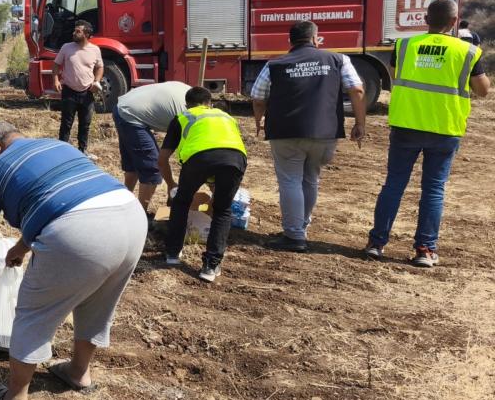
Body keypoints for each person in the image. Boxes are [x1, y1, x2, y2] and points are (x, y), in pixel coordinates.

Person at [0, 122, 146, 400]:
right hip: (130, 216)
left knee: (33, 314)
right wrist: (21, 248)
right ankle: (78, 372)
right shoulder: (58, 145)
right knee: (98, 302)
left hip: (78, 231)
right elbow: (57, 197)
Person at [366, 0, 489, 267]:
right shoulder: (468, 51)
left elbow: (396, 74)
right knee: (433, 189)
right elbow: (483, 90)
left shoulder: (405, 45)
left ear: (425, 19)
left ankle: (376, 244)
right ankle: (424, 249)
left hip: (406, 125)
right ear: (455, 22)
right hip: (444, 128)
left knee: (394, 184)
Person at [250, 21, 366, 252]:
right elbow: (357, 89)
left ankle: (294, 236)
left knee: (290, 180)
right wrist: (360, 123)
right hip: (325, 132)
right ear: (316, 38)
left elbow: (259, 96)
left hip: (285, 132)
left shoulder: (275, 64)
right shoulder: (339, 60)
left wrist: (259, 120)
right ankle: (301, 226)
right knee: (310, 178)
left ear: (290, 41)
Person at [159, 86, 248, 283]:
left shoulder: (183, 117)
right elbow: (223, 152)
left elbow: (163, 158)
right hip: (235, 159)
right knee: (222, 210)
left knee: (182, 203)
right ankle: (211, 266)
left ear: (187, 104)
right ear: (209, 103)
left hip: (199, 159)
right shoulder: (225, 117)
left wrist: (171, 184)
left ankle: (172, 254)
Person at [112, 81, 191, 215]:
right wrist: (171, 184)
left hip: (123, 106)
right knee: (151, 171)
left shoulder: (190, 93)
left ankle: (122, 207)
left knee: (133, 165)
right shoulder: (187, 119)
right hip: (132, 114)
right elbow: (162, 160)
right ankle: (140, 215)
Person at [52, 20, 103, 155]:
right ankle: (62, 150)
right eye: (74, 30)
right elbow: (56, 64)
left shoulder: (95, 50)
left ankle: (82, 151)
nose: (74, 33)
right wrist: (56, 80)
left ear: (86, 34)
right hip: (69, 91)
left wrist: (96, 81)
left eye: (78, 31)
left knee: (85, 124)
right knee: (66, 123)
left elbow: (99, 67)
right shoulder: (66, 48)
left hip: (87, 93)